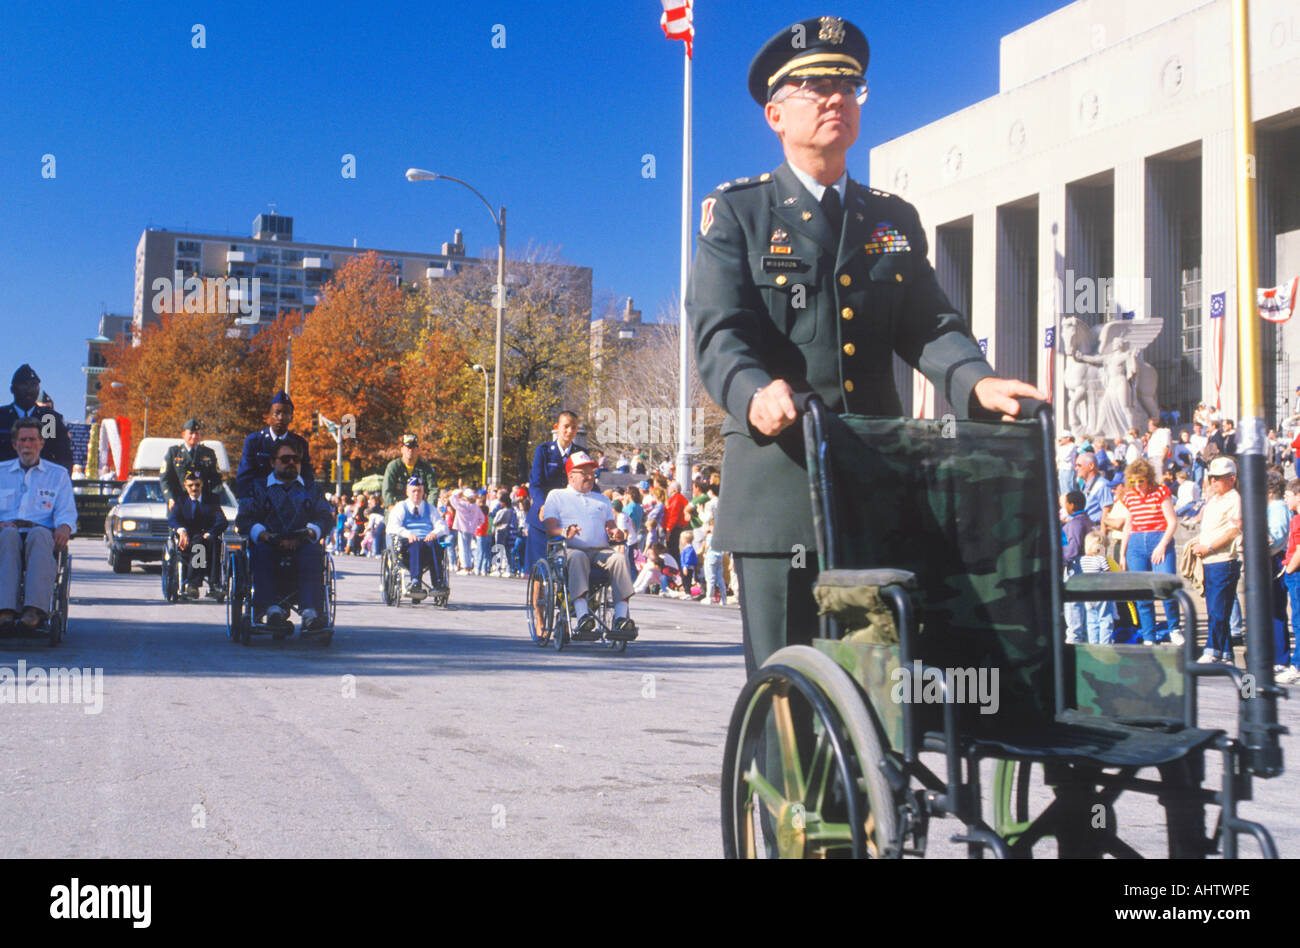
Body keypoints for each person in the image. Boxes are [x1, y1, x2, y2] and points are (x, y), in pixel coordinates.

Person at [685, 15, 1044, 674]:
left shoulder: (891, 218)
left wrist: (976, 380)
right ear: (774, 114)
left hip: (876, 483)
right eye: (816, 88)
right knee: (788, 686)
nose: (836, 100)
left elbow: (930, 323)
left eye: (848, 87)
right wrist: (752, 391)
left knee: (880, 683)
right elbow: (717, 329)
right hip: (780, 484)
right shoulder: (739, 213)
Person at [236, 441, 333, 631]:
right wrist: (263, 534)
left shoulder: (312, 489)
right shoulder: (257, 488)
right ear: (273, 462)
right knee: (261, 552)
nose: (291, 463)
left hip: (302, 542)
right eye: (285, 459)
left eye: (296, 459)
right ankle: (271, 610)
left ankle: (310, 612)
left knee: (314, 552)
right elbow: (244, 518)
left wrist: (310, 531)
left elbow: (325, 517)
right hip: (269, 541)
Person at [541, 451, 637, 638]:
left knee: (619, 559)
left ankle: (620, 618)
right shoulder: (556, 496)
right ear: (571, 476)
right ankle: (583, 615)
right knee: (578, 557)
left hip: (600, 551)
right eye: (584, 473)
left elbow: (611, 527)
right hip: (569, 549)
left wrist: (616, 533)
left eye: (592, 473)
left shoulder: (602, 499)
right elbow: (550, 528)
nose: (590, 477)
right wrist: (565, 532)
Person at [0, 417, 77, 630]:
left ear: (41, 443)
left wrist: (64, 527)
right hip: (5, 532)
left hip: (40, 533)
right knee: (8, 536)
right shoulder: (1, 472)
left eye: (32, 440)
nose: (27, 445)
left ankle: (34, 610)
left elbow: (66, 511)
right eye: (23, 440)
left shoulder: (58, 475)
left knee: (40, 535)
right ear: (15, 444)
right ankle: (5, 610)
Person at [1116, 458, 1182, 646]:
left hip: (1159, 538)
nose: (1137, 485)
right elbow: (1128, 525)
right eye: (1134, 481)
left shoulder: (1161, 492)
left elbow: (1172, 521)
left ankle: (1174, 628)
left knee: (1167, 585)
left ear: (1148, 478)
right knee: (1142, 592)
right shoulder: (1130, 496)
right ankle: (1148, 636)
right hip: (1136, 543)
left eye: (1141, 481)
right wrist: (1122, 553)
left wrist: (1162, 545)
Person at [1190, 457, 1242, 664]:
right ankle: (1225, 651)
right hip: (1211, 560)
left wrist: (1209, 547)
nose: (1214, 482)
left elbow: (1233, 531)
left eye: (1218, 478)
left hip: (1222, 559)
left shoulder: (1234, 499)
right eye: (1212, 477)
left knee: (1218, 609)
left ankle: (1213, 649)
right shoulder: (1215, 499)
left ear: (1231, 478)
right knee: (1216, 608)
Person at [525, 410, 582, 573]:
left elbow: (587, 482)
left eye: (574, 427)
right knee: (539, 570)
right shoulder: (543, 451)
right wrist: (542, 505)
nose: (569, 431)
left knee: (569, 568)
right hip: (543, 517)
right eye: (566, 426)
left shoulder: (580, 453)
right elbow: (535, 484)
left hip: (568, 517)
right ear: (557, 427)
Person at [235, 391, 314, 499]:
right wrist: (250, 501)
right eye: (276, 413)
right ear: (269, 416)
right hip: (260, 501)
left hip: (290, 501)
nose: (280, 417)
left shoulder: (299, 443)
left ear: (291, 417)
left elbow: (307, 477)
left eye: (285, 414)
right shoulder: (254, 441)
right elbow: (244, 478)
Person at [167, 467, 228, 598]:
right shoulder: (181, 500)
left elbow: (222, 521)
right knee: (198, 544)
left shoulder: (211, 500)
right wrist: (181, 531)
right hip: (188, 539)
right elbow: (173, 519)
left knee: (213, 542)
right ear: (185, 486)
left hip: (207, 537)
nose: (194, 488)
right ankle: (193, 585)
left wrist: (211, 533)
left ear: (202, 484)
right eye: (190, 485)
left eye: (197, 485)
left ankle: (214, 584)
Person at [0, 365, 74, 470]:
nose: (29, 389)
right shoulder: (2, 416)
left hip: (42, 478)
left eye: (34, 385)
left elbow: (64, 457)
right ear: (12, 389)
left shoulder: (49, 419)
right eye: (24, 384)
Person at [387, 477, 451, 595]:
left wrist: (434, 533)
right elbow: (392, 527)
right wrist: (408, 534)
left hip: (427, 543)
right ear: (407, 492)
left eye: (419, 490)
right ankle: (415, 581)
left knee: (434, 544)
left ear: (423, 492)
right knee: (416, 544)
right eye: (414, 491)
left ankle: (438, 582)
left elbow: (443, 526)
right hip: (407, 545)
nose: (416, 494)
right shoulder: (401, 507)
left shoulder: (430, 509)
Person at [160, 418, 223, 510]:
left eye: (197, 433)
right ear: (183, 435)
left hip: (203, 506)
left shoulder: (208, 453)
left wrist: (213, 498)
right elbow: (165, 479)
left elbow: (217, 479)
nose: (194, 436)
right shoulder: (173, 453)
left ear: (200, 435)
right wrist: (170, 498)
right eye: (191, 433)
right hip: (178, 505)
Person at [1277, 479, 1300, 684]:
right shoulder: (1294, 518)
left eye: (1288, 496)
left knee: (1298, 621)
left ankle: (1297, 666)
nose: (1285, 499)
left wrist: (1289, 569)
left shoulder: (1298, 520)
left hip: (1296, 573)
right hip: (1293, 571)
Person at [1061, 489, 1090, 644]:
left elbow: (1072, 548)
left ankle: (1074, 641)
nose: (1064, 506)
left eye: (1065, 503)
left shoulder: (1075, 524)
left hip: (1076, 568)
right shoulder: (1087, 520)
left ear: (1072, 505)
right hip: (1085, 567)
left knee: (1074, 608)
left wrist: (1061, 562)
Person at [1078, 531, 1117, 645]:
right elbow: (1109, 575)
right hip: (1101, 593)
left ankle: (1093, 645)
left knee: (1091, 621)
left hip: (1087, 595)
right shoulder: (1101, 559)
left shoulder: (1081, 560)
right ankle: (1105, 645)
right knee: (1105, 619)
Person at [382, 434, 437, 508]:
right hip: (397, 507)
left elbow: (433, 489)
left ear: (417, 450)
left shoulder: (426, 468)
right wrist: (392, 508)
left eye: (414, 447)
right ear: (402, 449)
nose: (411, 450)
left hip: (420, 508)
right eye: (408, 447)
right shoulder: (393, 467)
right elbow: (387, 490)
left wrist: (430, 508)